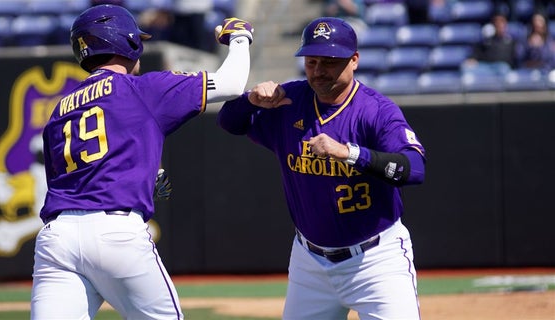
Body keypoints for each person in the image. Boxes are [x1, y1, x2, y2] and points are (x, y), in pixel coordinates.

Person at [30, 4, 253, 319]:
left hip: (57, 238)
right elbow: (231, 84)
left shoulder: (61, 109)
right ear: (128, 42)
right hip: (115, 232)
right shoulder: (143, 88)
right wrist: (240, 36)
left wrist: (142, 169)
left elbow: (71, 174)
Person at [217, 17, 426, 319]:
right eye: (311, 61)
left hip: (376, 260)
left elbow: (415, 168)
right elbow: (229, 122)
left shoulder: (376, 111)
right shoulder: (290, 100)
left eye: (329, 62)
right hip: (309, 262)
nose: (317, 71)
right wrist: (251, 100)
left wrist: (350, 153)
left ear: (354, 60)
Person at [462, 12, 518, 76]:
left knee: (503, 69)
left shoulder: (511, 41)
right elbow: (476, 53)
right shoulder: (486, 39)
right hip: (486, 67)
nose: (499, 26)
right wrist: (472, 59)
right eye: (496, 24)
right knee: (465, 68)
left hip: (501, 68)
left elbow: (513, 60)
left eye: (501, 23)